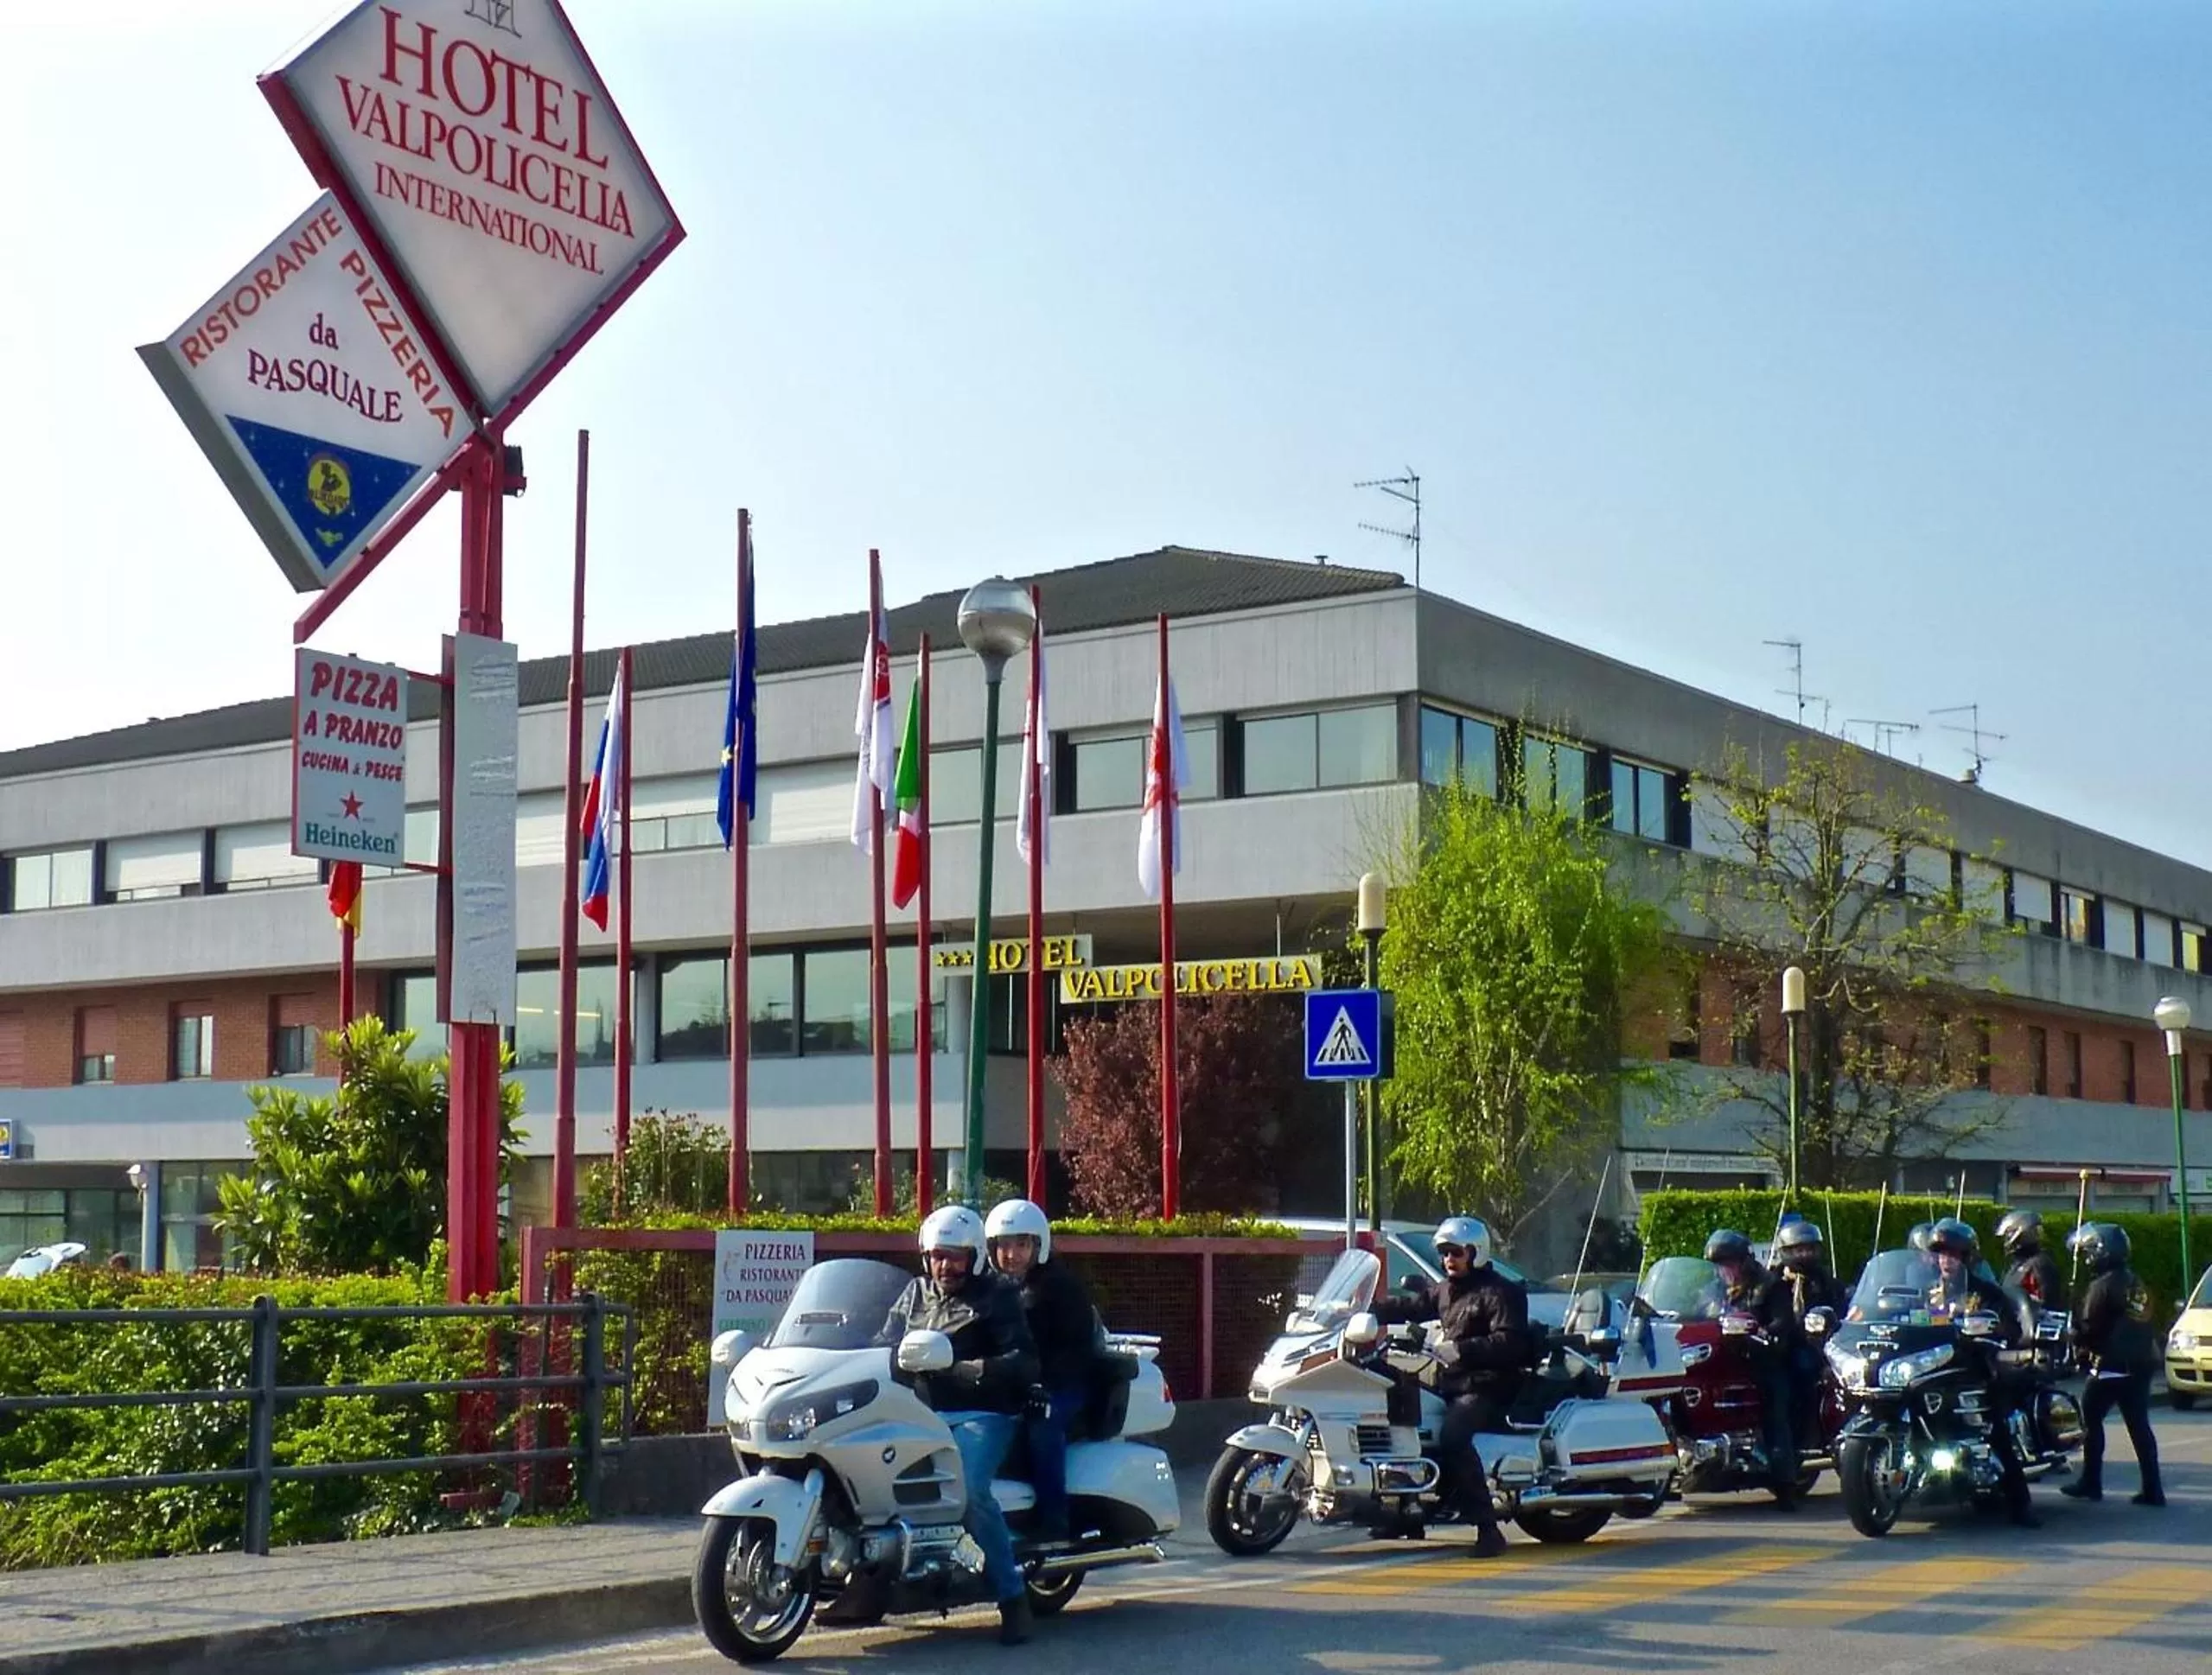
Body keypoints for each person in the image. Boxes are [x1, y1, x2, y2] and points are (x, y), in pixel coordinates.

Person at [879, 1205, 1042, 1644]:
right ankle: (871, 1582)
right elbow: (881, 1346)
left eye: (954, 1256)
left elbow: (1025, 1360)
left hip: (983, 1414)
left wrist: (974, 1369)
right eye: (936, 1255)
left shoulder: (999, 1295)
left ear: (973, 1257)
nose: (944, 1265)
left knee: (968, 1490)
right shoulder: (913, 1295)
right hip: (919, 1414)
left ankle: (1012, 1598)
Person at [1370, 1216, 1523, 1557]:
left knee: (1453, 1436)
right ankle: (1409, 1514)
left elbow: (1510, 1342)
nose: (1448, 1260)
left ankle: (1488, 1528)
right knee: (1399, 1413)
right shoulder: (1446, 1290)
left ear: (1475, 1252)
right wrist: (1362, 1309)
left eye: (1455, 1252)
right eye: (1444, 1253)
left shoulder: (1501, 1292)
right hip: (1451, 1380)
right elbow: (1410, 1305)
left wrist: (1463, 1349)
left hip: (1489, 1384)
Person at [985, 1198, 1098, 1545]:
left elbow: (1075, 1349)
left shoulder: (1059, 1288)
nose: (1012, 1254)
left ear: (1039, 1245)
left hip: (1062, 1384)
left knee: (1042, 1427)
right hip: (1012, 1381)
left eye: (1022, 1244)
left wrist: (1039, 1386)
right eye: (1004, 1245)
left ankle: (1054, 1521)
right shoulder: (989, 1288)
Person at [1922, 1218, 2039, 1527]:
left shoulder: (1985, 1293)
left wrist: (1987, 1329)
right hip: (1934, 1370)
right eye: (1941, 1253)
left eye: (1953, 1254)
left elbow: (2008, 1328)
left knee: (1994, 1428)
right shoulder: (1929, 1292)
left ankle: (2020, 1504)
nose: (1946, 1260)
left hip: (1975, 1369)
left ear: (1967, 1258)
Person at [2061, 1222, 2164, 1508]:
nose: (2087, 1257)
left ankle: (2091, 1482)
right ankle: (2153, 1489)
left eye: (2090, 1251)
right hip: (2141, 1362)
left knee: (2090, 1419)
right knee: (2140, 1426)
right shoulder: (2133, 1280)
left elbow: (2089, 1327)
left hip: (2111, 1365)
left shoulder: (2101, 1286)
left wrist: (2073, 1329)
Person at [1705, 1229, 1803, 1506]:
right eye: (1720, 1266)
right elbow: (1700, 1310)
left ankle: (1786, 1483)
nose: (1726, 1271)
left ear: (1745, 1262)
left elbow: (1783, 1322)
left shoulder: (1770, 1286)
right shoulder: (1714, 1289)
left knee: (1774, 1409)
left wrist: (1761, 1330)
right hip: (1726, 1359)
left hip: (1765, 1359)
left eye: (1730, 1264)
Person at [1995, 1210, 2068, 1314]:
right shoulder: (2016, 1264)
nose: (2006, 1240)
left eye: (2009, 1234)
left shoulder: (2040, 1265)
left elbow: (2048, 1305)